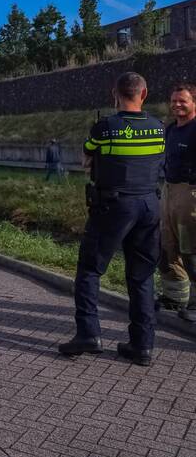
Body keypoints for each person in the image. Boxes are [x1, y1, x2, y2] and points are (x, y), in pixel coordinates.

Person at [59, 72, 164, 366]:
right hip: (149, 205)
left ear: (114, 94)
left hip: (114, 206)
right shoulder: (158, 127)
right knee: (142, 276)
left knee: (90, 269)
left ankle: (88, 334)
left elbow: (87, 158)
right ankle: (142, 345)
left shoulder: (104, 128)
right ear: (144, 94)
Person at [158, 82, 196, 318]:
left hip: (191, 193)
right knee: (167, 245)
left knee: (192, 248)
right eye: (173, 101)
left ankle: (195, 304)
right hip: (169, 190)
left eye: (182, 100)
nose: (177, 105)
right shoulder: (171, 129)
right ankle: (174, 297)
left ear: (194, 102)